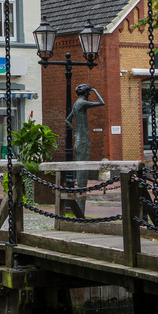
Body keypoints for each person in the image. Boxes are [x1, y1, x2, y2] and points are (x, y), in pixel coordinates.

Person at [66, 84, 105, 218]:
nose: (90, 93)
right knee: (83, 173)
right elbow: (102, 103)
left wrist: (75, 131)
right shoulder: (82, 103)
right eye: (89, 91)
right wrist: (95, 90)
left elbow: (67, 120)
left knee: (81, 172)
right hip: (84, 140)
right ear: (87, 92)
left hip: (79, 138)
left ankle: (79, 210)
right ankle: (80, 211)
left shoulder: (77, 103)